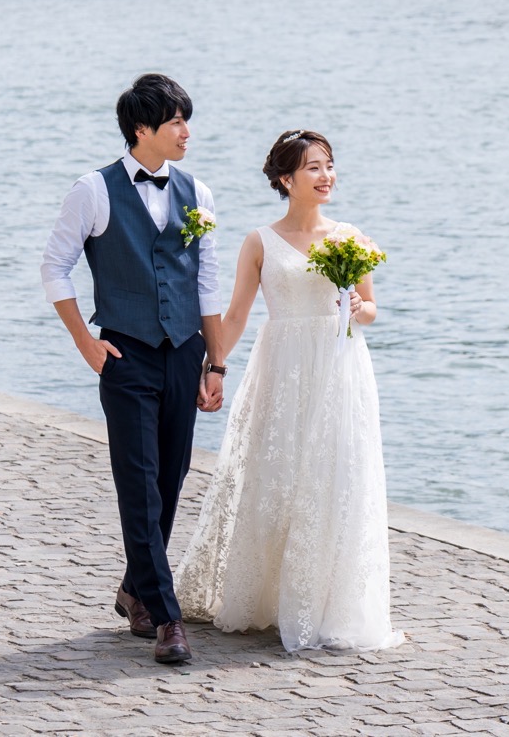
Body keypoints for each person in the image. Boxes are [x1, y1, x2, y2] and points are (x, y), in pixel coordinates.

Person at [175, 130, 403, 652]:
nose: (326, 176)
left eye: (329, 165)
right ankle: (270, 598)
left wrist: (356, 307)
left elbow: (371, 308)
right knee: (276, 478)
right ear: (285, 179)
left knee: (336, 478)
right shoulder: (260, 241)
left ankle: (328, 604)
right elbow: (236, 314)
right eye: (313, 168)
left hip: (339, 370)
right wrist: (214, 367)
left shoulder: (349, 237)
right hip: (281, 369)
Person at [40, 73, 225, 665]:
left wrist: (216, 363)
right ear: (142, 129)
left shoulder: (198, 191)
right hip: (124, 352)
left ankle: (134, 590)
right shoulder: (93, 190)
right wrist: (85, 343)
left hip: (184, 351)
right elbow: (54, 267)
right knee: (139, 481)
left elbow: (206, 283)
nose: (186, 132)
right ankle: (168, 618)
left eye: (186, 120)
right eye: (175, 121)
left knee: (170, 479)